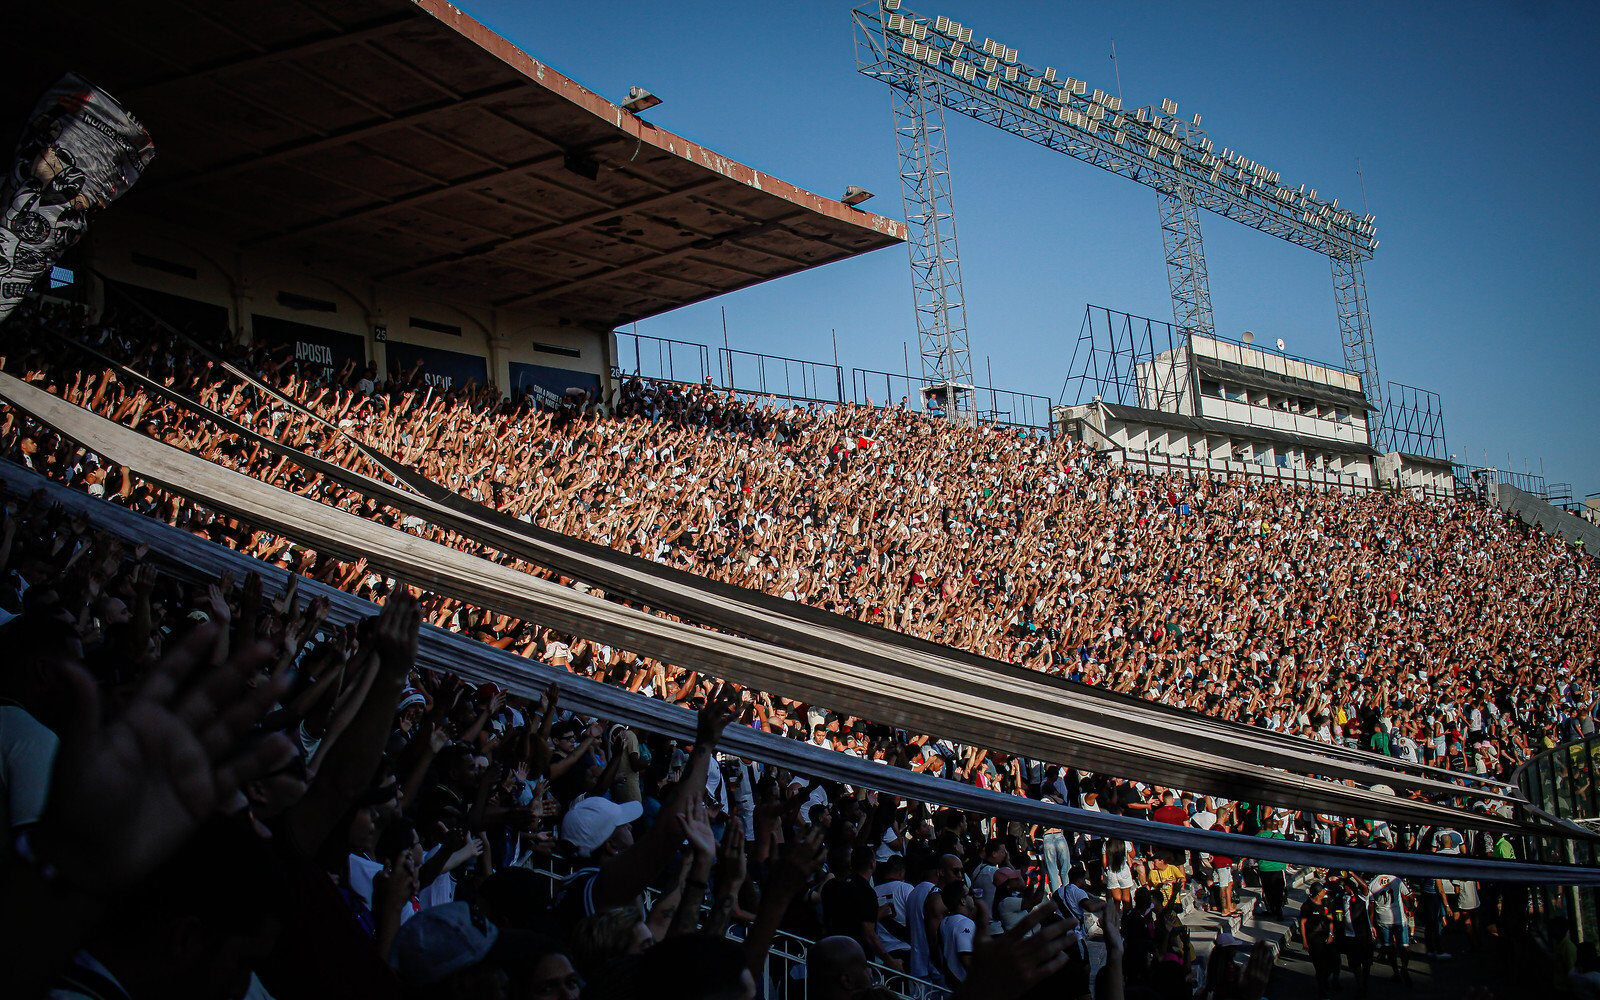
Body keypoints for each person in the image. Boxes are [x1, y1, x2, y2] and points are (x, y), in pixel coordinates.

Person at [1300, 881, 1342, 999]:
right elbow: (1302, 923)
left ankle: (1331, 981)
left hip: (1326, 937)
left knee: (1334, 961)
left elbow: (1331, 919)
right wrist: (1304, 941)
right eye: (1323, 891)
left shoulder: (1326, 903)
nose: (1325, 892)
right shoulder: (1307, 906)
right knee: (1320, 966)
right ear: (1318, 893)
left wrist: (1331, 934)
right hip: (1314, 939)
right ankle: (1322, 990)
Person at [939, 880, 978, 984]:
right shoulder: (965, 923)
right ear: (963, 901)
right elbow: (965, 956)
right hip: (963, 984)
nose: (972, 896)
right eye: (969, 893)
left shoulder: (945, 921)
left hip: (949, 982)